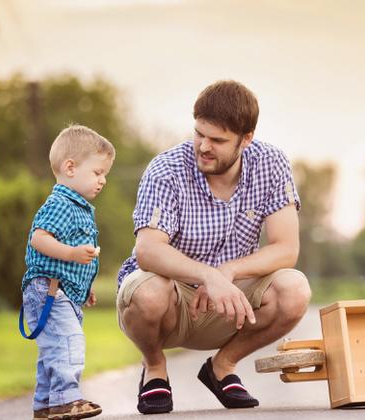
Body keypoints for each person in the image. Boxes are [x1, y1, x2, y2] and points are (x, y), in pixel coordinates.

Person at [116, 80, 311, 414]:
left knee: (295, 289)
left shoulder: (271, 164)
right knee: (147, 292)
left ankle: (222, 366)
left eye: (217, 140)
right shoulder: (166, 169)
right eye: (198, 133)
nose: (203, 146)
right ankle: (155, 369)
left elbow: (285, 249)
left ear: (246, 139)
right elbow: (148, 251)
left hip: (230, 302)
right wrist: (206, 275)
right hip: (170, 302)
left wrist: (227, 272)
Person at [21, 124, 115, 420]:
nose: (103, 181)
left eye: (105, 175)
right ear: (70, 167)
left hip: (60, 289)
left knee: (53, 350)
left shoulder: (79, 206)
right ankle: (66, 400)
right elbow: (39, 238)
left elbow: (73, 257)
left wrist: (83, 287)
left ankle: (46, 404)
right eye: (98, 172)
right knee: (68, 343)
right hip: (48, 289)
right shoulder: (62, 203)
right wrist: (72, 254)